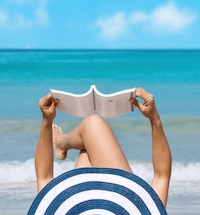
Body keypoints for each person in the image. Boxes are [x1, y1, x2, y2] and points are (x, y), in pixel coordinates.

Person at [34, 87, 172, 206]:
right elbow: (161, 176)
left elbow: (44, 177)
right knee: (91, 132)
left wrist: (47, 121)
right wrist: (154, 119)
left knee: (90, 136)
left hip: (113, 210)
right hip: (110, 207)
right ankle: (63, 143)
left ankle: (62, 143)